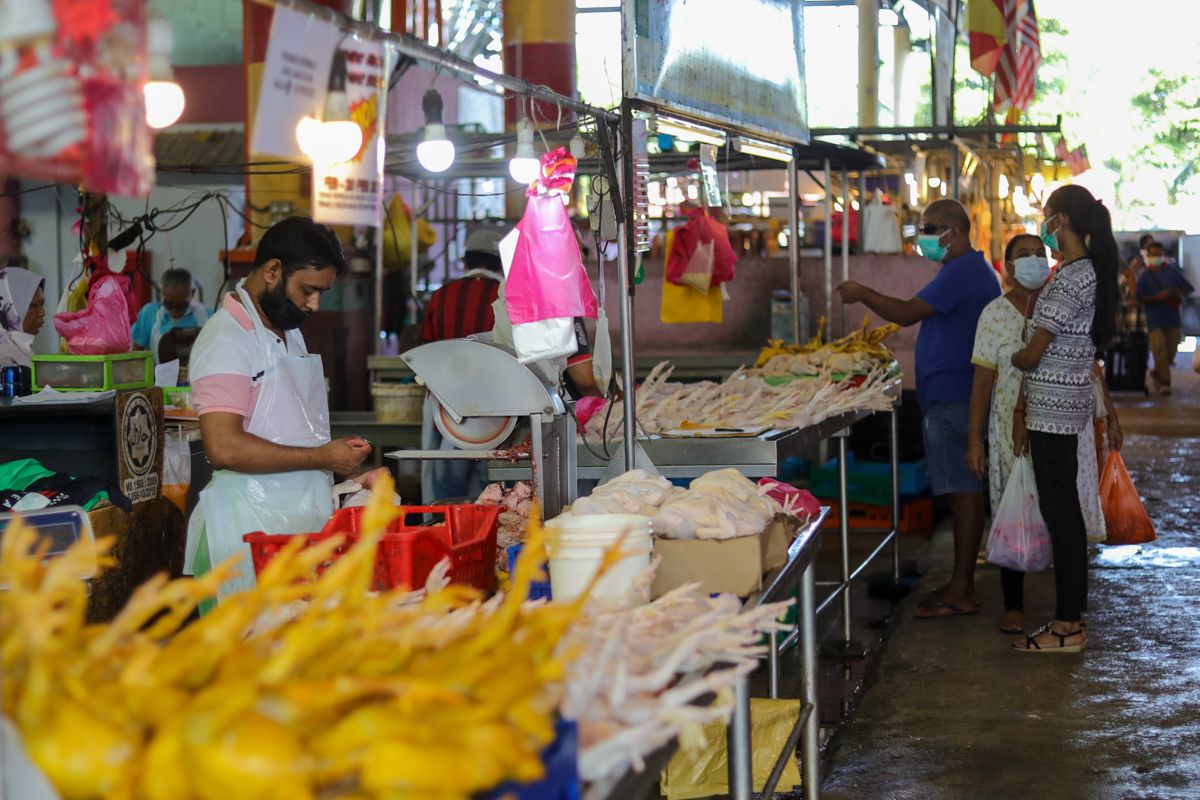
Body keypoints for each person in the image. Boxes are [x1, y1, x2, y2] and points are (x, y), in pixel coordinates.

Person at [183, 217, 376, 603]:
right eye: (308, 290)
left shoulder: (290, 334)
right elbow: (224, 447)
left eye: (321, 293)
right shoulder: (227, 339)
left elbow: (289, 432)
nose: (314, 304)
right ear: (272, 270)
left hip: (290, 532)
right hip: (239, 537)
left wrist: (346, 474)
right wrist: (323, 457)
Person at [837, 198, 1000, 618]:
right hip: (952, 394)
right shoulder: (963, 271)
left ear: (956, 232)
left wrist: (862, 293)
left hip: (956, 396)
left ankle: (962, 589)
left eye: (929, 229)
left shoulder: (963, 271)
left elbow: (907, 313)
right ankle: (959, 583)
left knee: (964, 494)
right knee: (962, 494)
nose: (922, 237)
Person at [967, 234, 1117, 635]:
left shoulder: (1063, 299)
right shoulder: (993, 315)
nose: (1035, 260)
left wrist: (1111, 414)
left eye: (1040, 253)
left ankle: (1069, 606)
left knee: (1064, 510)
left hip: (1061, 420)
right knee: (1012, 505)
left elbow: (1090, 365)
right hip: (1010, 427)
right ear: (1008, 267)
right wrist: (974, 440)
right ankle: (1013, 604)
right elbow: (981, 383)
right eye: (1024, 255)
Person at [1010, 184, 1120, 653]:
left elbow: (1034, 353)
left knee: (1063, 515)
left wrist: (1014, 356)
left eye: (1047, 216)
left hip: (1054, 412)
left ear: (1062, 221)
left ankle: (1067, 624)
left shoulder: (1074, 276)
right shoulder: (1083, 272)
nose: (1044, 225)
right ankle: (1069, 619)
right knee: (1063, 513)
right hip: (1062, 408)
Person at [418, 228, 604, 502]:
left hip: (450, 418)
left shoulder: (442, 296)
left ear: (465, 261)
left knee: (448, 495)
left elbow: (427, 353)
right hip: (504, 420)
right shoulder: (517, 294)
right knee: (497, 495)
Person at [1137, 240, 1194, 396]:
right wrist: (1158, 297)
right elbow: (1140, 298)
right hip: (1154, 319)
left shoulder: (1172, 272)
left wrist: (1176, 292)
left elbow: (1188, 289)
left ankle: (1157, 372)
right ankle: (1164, 382)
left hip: (1172, 318)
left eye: (1159, 255)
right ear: (1148, 256)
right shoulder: (1145, 276)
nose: (1157, 258)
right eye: (1154, 255)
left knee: (1170, 351)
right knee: (1159, 349)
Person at [130, 267, 209, 363]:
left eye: (180, 305)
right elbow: (134, 355)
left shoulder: (207, 316)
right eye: (169, 304)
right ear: (161, 293)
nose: (174, 309)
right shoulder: (149, 314)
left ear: (192, 293)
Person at [0, 266, 46, 369]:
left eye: (42, 304)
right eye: (34, 305)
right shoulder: (5, 360)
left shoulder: (20, 349)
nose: (42, 313)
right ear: (12, 308)